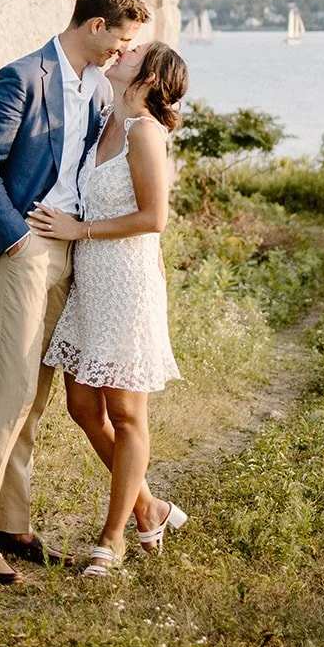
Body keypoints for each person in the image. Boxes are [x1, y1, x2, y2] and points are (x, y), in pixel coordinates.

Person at [0, 0, 150, 585]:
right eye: (122, 37)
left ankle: (14, 527)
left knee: (32, 400)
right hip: (24, 249)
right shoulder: (23, 76)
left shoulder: (97, 85)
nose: (124, 50)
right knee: (7, 391)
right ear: (95, 27)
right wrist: (16, 238)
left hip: (71, 251)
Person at [31, 40, 189, 576]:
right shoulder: (104, 120)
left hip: (127, 282)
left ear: (148, 77)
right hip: (91, 280)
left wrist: (82, 230)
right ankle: (151, 508)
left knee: (125, 412)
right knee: (81, 406)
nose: (121, 52)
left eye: (134, 52)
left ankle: (113, 537)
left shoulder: (146, 132)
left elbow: (154, 218)